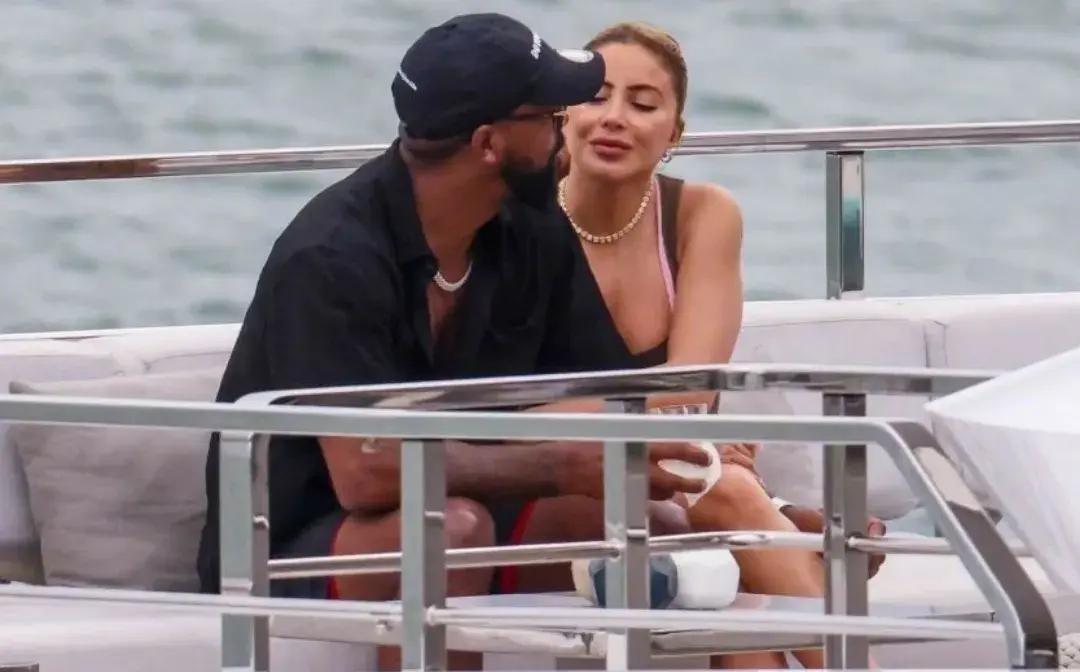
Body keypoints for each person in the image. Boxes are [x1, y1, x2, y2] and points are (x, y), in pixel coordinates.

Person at [194, 13, 713, 670]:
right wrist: (559, 466)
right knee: (450, 531)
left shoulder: (531, 229)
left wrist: (738, 487)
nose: (566, 130)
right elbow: (365, 473)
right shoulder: (331, 257)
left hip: (465, 503)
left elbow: (610, 392)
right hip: (288, 542)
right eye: (550, 116)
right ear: (489, 143)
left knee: (654, 532)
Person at [552, 21, 888, 669]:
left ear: (674, 135)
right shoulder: (524, 223)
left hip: (679, 466)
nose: (614, 117)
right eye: (596, 97)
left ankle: (778, 524)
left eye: (643, 104)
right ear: (564, 114)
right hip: (567, 475)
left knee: (727, 542)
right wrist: (689, 436)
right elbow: (519, 410)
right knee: (725, 501)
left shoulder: (700, 215)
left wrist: (690, 436)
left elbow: (690, 386)